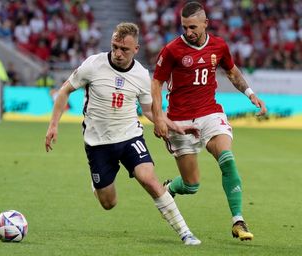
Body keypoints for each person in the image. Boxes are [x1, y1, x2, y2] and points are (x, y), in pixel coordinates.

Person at [45, 22, 201, 245]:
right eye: (115, 46)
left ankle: (185, 232)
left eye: (124, 49)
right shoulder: (93, 65)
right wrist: (53, 125)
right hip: (97, 142)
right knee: (109, 203)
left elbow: (149, 110)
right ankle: (98, 182)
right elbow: (65, 90)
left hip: (129, 136)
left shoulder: (140, 75)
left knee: (149, 179)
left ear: (136, 49)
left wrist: (174, 125)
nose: (118, 53)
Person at [151, 1, 267, 241]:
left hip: (210, 113)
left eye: (193, 27)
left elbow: (233, 73)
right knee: (192, 186)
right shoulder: (172, 49)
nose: (188, 32)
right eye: (184, 27)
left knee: (227, 158)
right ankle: (172, 188)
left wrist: (251, 94)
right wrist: (159, 116)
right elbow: (156, 83)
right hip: (180, 120)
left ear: (206, 23)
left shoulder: (219, 46)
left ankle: (238, 220)